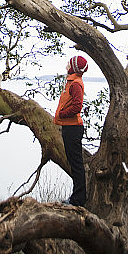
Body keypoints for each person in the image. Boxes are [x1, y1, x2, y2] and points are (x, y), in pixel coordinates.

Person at [54, 55, 88, 206]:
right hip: (69, 127)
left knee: (76, 165)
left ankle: (78, 199)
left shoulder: (75, 84)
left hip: (73, 128)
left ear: (73, 66)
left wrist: (62, 114)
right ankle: (77, 197)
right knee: (74, 163)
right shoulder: (71, 82)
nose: (66, 64)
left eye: (69, 62)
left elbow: (77, 106)